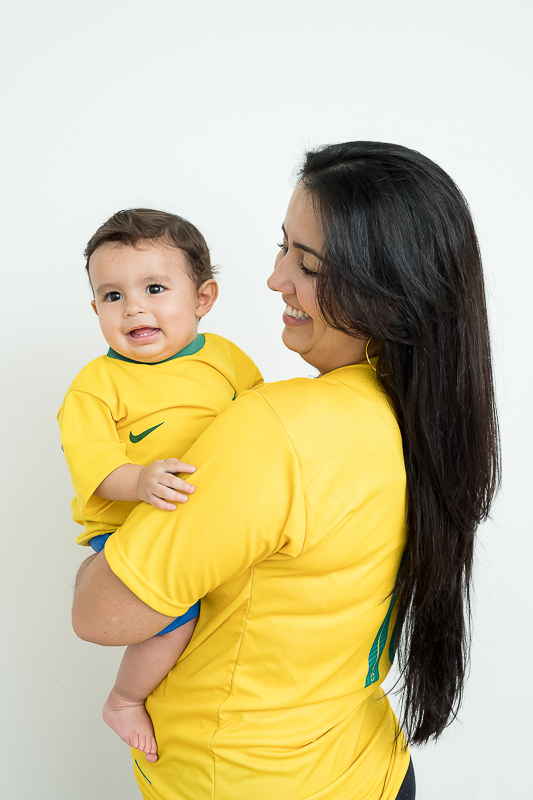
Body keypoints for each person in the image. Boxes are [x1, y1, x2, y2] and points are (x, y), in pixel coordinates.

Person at [71, 142, 500, 800]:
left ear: (385, 289)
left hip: (248, 781)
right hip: (366, 767)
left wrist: (95, 554)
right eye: (282, 248)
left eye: (307, 264)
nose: (275, 279)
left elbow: (101, 616)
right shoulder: (421, 415)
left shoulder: (275, 428)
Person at [58, 209, 262, 762]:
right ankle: (124, 700)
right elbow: (97, 467)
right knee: (177, 618)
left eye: (153, 288)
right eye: (112, 296)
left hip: (206, 523)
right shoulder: (95, 387)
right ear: (96, 307)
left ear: (203, 298)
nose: (135, 308)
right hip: (134, 530)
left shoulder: (227, 359)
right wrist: (141, 480)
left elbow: (261, 420)